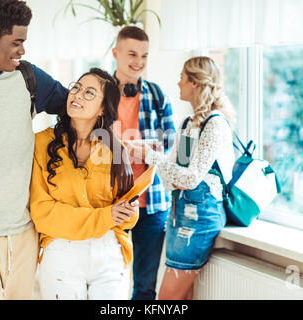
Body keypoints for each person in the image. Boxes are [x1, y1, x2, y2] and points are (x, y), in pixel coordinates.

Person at [0, 0, 131, 300]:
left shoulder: (28, 78)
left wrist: (115, 144)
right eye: (16, 43)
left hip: (24, 235)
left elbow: (79, 111)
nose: (22, 51)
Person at [126, 56, 236, 300]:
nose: (178, 84)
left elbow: (189, 179)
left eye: (182, 78)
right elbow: (171, 179)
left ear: (195, 83)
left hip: (198, 222)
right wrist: (159, 160)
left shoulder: (215, 125)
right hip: (179, 217)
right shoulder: (190, 124)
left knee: (167, 299)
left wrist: (151, 156)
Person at [30, 68, 139, 300]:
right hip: (61, 253)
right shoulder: (41, 143)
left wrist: (128, 211)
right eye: (76, 88)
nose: (77, 95)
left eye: (89, 93)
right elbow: (42, 213)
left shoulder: (116, 149)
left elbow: (128, 218)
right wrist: (107, 216)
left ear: (102, 108)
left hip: (109, 253)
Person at [111, 26, 176, 300]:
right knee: (110, 281)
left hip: (153, 205)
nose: (139, 62)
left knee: (145, 288)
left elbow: (172, 144)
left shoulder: (157, 95)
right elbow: (90, 143)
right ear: (116, 53)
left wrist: (128, 147)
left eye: (145, 55)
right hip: (112, 201)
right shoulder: (100, 94)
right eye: (132, 54)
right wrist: (139, 148)